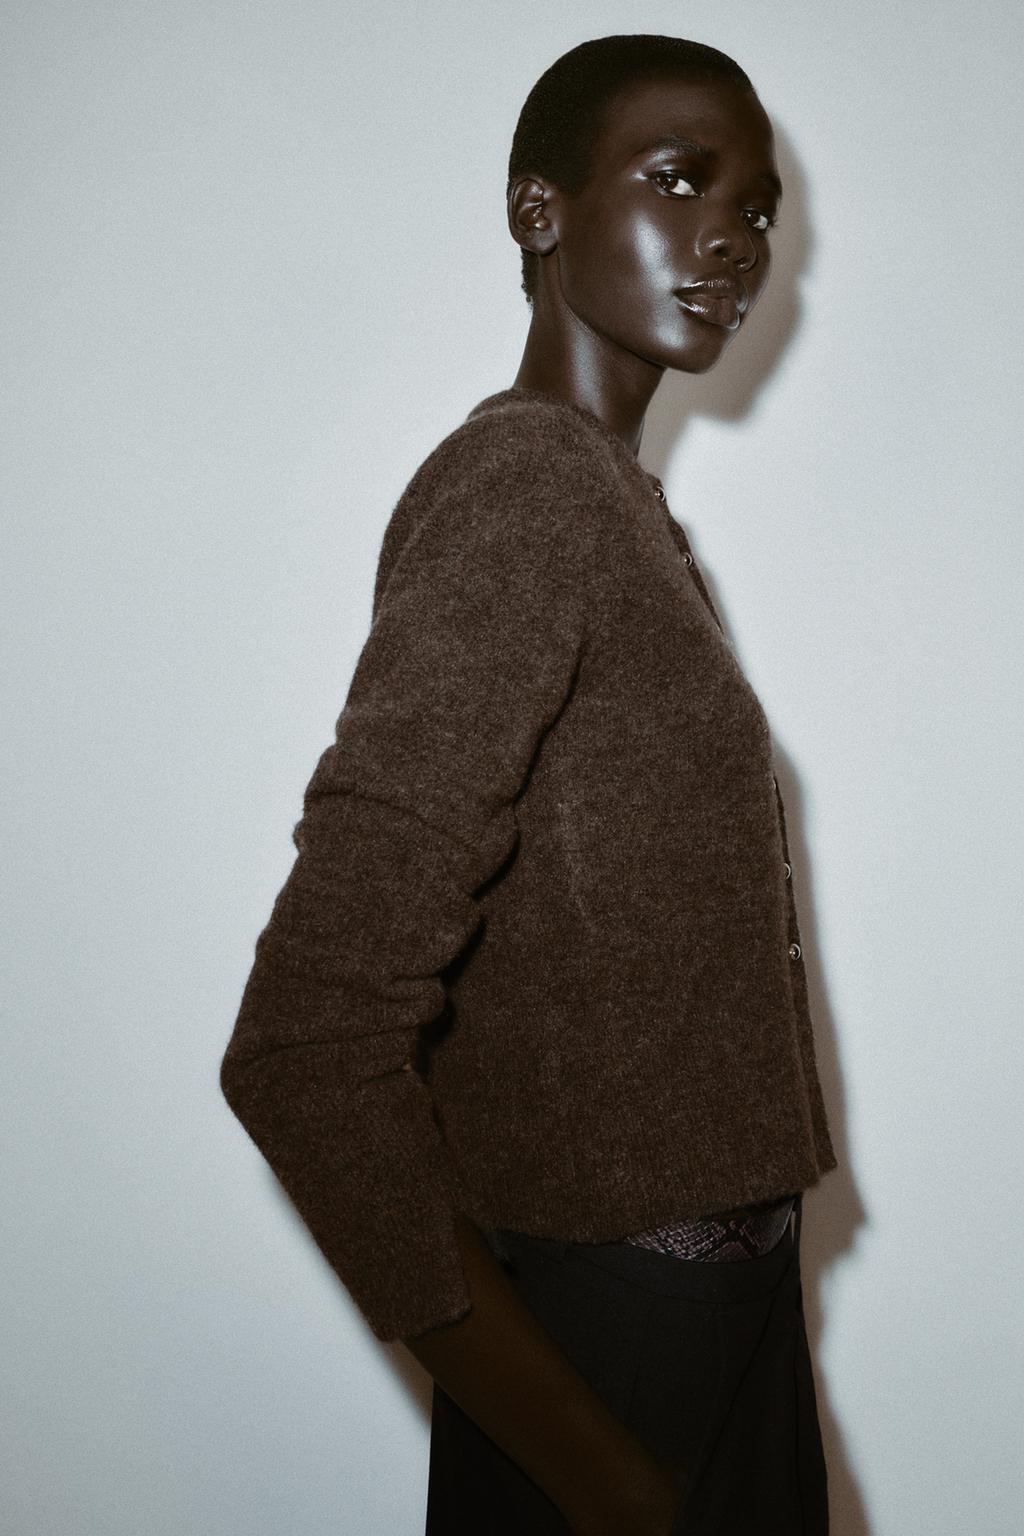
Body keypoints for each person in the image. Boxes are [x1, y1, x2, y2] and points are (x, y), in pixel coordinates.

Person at [219, 33, 837, 1536]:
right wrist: (606, 1483)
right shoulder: (526, 491)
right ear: (538, 211)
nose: (730, 238)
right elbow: (304, 1045)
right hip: (609, 1368)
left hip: (722, 1330)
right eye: (680, 180)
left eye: (755, 208)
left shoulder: (614, 507)